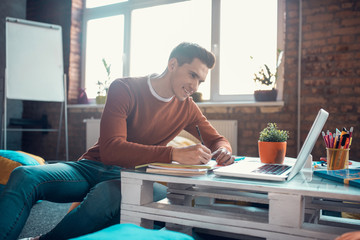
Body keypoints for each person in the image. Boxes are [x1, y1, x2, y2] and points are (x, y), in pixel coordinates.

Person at [0, 42, 234, 240]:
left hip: (133, 177)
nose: (195, 86)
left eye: (201, 81)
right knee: (25, 176)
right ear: (173, 64)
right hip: (91, 167)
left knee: (104, 196)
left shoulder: (188, 108)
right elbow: (112, 150)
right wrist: (173, 154)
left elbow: (218, 140)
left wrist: (223, 150)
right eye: (192, 75)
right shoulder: (125, 88)